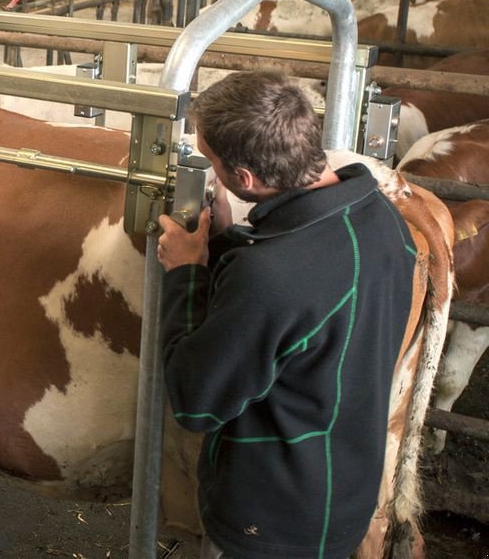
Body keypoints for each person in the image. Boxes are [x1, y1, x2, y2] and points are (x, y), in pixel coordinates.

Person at [156, 71, 415, 559]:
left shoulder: (268, 276)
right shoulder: (381, 218)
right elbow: (307, 311)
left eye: (212, 161)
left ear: (245, 179)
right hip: (344, 491)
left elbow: (197, 403)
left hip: (269, 519)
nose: (210, 169)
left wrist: (186, 273)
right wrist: (228, 239)